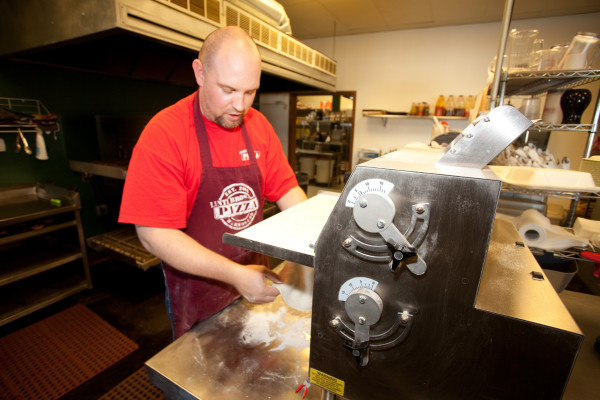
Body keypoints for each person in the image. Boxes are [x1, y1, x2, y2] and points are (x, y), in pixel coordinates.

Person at [119, 26, 307, 339]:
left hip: (257, 279)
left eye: (250, 92)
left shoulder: (258, 126)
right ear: (199, 73)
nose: (240, 105)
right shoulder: (165, 134)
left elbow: (289, 192)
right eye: (228, 90)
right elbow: (154, 234)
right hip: (199, 289)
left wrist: (303, 253)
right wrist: (234, 275)